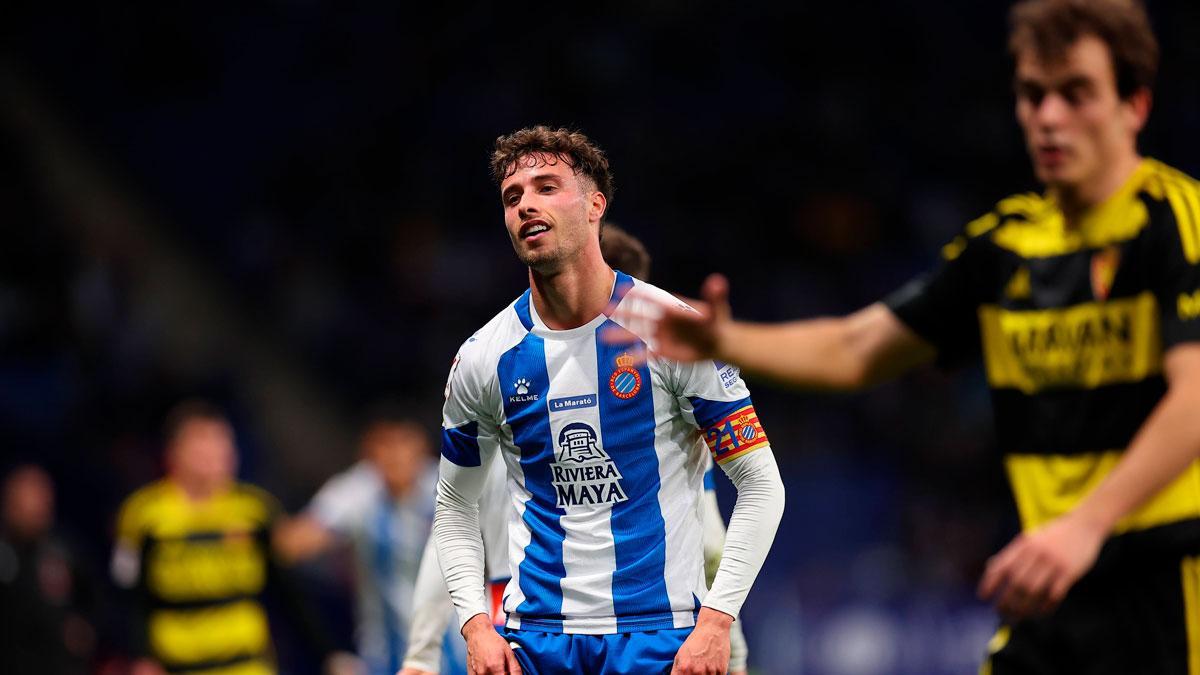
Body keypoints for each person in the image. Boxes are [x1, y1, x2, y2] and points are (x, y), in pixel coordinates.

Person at [628, 1, 1200, 672]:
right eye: (1032, 94)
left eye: (1076, 93)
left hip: (1171, 584)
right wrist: (725, 340)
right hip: (1049, 589)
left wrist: (1086, 524)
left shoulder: (1175, 221)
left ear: (1133, 105)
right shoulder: (1005, 247)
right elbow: (855, 350)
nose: (1049, 117)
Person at [433, 125, 785, 675]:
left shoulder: (672, 333)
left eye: (546, 187)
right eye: (512, 196)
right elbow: (455, 507)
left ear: (595, 204)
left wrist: (717, 621)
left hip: (662, 637)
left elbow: (761, 484)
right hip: (537, 643)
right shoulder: (483, 358)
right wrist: (476, 624)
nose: (526, 204)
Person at [399, 226, 751, 675]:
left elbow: (448, 524)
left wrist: (421, 655)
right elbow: (712, 547)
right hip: (525, 631)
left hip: (543, 630)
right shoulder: (504, 382)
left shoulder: (661, 412)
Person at [111, 400, 342, 675]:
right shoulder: (143, 514)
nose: (216, 453)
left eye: (223, 443)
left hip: (246, 665)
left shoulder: (255, 509)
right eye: (203, 444)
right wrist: (141, 657)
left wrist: (329, 653)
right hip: (178, 666)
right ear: (174, 452)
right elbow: (128, 597)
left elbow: (289, 592)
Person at [273, 409, 455, 675]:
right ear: (368, 449)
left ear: (422, 447)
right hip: (386, 656)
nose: (395, 455)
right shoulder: (359, 491)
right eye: (385, 444)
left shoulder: (451, 485)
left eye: (403, 442)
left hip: (458, 650)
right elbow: (294, 544)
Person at [0, 464, 98, 675]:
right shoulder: (5, 554)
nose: (40, 503)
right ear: (9, 502)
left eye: (43, 494)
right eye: (29, 496)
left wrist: (86, 627)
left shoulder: (63, 549)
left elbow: (94, 599)